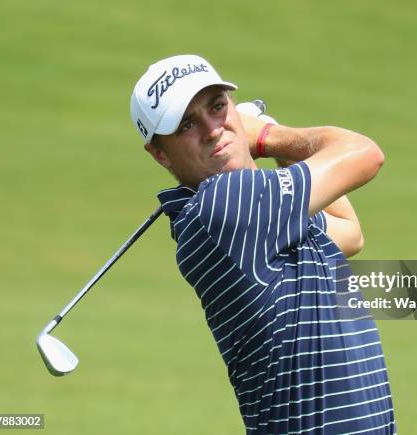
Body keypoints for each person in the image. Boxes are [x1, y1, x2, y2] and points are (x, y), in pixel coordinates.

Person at [130, 54, 396, 434]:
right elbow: (365, 155)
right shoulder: (223, 207)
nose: (212, 129)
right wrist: (266, 135)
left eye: (218, 107)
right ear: (159, 153)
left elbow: (347, 232)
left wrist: (264, 139)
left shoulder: (260, 217)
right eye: (187, 124)